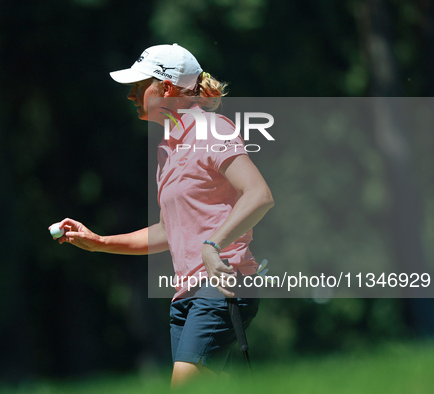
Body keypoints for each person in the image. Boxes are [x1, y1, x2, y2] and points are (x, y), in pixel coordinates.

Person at [49, 44, 274, 387]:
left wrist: (214, 244)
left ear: (166, 89)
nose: (130, 95)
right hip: (185, 295)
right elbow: (171, 231)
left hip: (221, 286)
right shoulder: (168, 147)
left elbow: (259, 194)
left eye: (139, 86)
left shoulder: (211, 129)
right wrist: (98, 242)